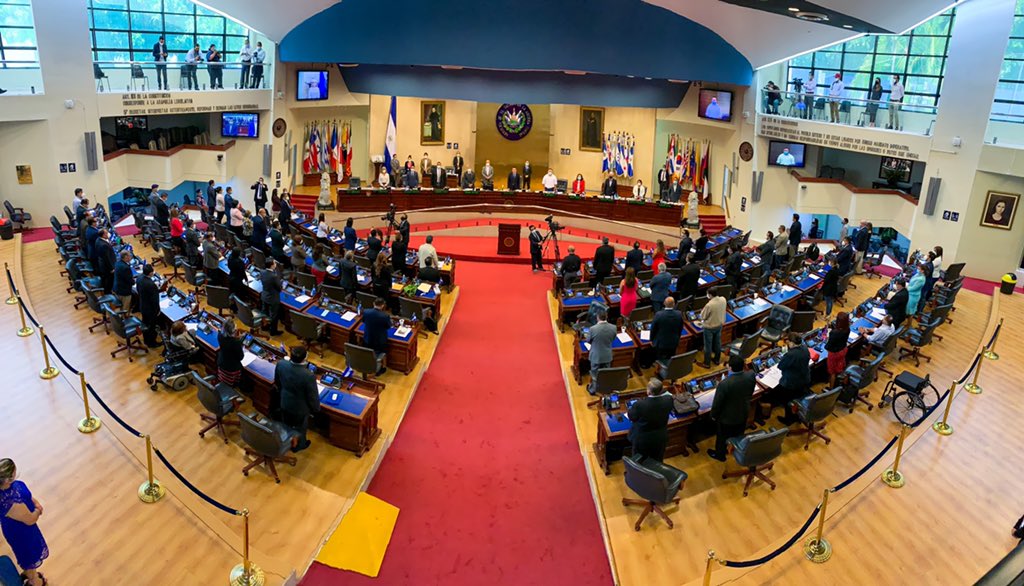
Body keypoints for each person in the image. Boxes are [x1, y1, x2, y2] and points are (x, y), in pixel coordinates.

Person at [0, 458, 48, 586]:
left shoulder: (14, 486)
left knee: (26, 556)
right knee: (29, 556)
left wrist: (35, 503)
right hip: (21, 532)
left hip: (18, 529)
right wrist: (38, 509)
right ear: (8, 479)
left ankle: (28, 573)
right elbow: (30, 519)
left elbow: (28, 496)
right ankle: (35, 581)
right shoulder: (9, 502)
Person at [708, 356, 754, 461]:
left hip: (727, 418)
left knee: (722, 437)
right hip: (743, 412)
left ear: (730, 368)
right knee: (738, 433)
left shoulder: (724, 384)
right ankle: (735, 449)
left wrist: (713, 415)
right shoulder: (750, 376)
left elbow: (717, 403)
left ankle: (720, 455)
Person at [276, 346, 319, 452]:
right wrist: (316, 409)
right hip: (300, 409)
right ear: (305, 357)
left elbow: (277, 382)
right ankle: (299, 445)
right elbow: (312, 396)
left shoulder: (281, 364)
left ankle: (287, 440)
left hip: (284, 401)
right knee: (300, 428)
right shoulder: (308, 375)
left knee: (286, 424)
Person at [627, 379, 674, 461]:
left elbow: (632, 417)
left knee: (639, 461)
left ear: (648, 391)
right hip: (660, 438)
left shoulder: (640, 404)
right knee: (657, 460)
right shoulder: (668, 399)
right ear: (661, 390)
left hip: (642, 440)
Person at [775, 334, 811, 424]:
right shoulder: (804, 348)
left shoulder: (791, 354)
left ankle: (788, 420)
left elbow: (780, 366)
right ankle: (798, 416)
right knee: (798, 398)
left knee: (788, 401)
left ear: (792, 343)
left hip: (792, 383)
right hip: (804, 379)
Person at [587, 310, 616, 395]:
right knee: (605, 374)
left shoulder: (593, 329)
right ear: (607, 317)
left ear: (597, 317)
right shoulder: (613, 327)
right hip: (607, 355)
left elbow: (588, 340)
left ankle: (593, 390)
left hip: (596, 356)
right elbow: (613, 338)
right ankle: (605, 389)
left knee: (595, 375)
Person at [650, 296, 682, 369]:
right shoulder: (679, 314)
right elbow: (680, 328)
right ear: (674, 304)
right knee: (670, 358)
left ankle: (659, 371)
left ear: (664, 303)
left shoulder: (659, 314)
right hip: (674, 341)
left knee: (660, 359)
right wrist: (678, 338)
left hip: (661, 343)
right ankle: (670, 369)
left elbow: (653, 329)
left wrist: (651, 340)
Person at [362, 297, 391, 375]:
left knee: (369, 352)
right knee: (382, 353)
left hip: (368, 337)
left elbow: (363, 321)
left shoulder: (366, 311)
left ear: (373, 303)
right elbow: (388, 326)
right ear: (382, 305)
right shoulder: (385, 316)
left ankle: (368, 365)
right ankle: (382, 367)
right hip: (380, 340)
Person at [700, 288, 726, 368]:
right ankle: (717, 360)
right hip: (719, 325)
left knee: (708, 346)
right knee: (717, 343)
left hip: (709, 328)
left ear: (710, 295)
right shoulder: (723, 299)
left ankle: (707, 363)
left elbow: (703, 316)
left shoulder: (709, 305)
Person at [137, 263, 162, 347]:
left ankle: (146, 339)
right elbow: (155, 300)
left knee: (145, 323)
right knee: (151, 326)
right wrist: (157, 310)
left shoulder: (139, 277)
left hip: (143, 305)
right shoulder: (151, 285)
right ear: (151, 273)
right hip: (150, 310)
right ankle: (151, 343)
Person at [826, 312, 851, 387]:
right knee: (839, 364)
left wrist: (828, 335)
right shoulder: (848, 329)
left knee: (832, 372)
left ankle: (831, 389)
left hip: (834, 354)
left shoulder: (834, 333)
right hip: (843, 350)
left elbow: (828, 347)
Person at [217, 319, 244, 385]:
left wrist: (237, 338)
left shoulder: (220, 335)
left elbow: (228, 339)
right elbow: (241, 357)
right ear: (233, 331)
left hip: (221, 363)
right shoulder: (236, 343)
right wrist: (239, 341)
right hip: (232, 369)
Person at [260, 259, 283, 335]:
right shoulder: (274, 276)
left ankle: (264, 326)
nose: (275, 264)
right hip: (273, 298)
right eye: (274, 263)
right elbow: (279, 288)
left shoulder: (262, 272)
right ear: (272, 265)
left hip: (264, 295)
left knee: (264, 312)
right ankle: (273, 331)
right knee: (274, 315)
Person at [95, 229, 116, 294]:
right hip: (107, 267)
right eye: (107, 233)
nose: (108, 234)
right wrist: (112, 268)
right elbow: (107, 258)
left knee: (105, 279)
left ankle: (106, 291)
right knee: (109, 280)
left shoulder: (98, 240)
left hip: (102, 264)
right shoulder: (104, 245)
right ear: (103, 235)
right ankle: (108, 293)